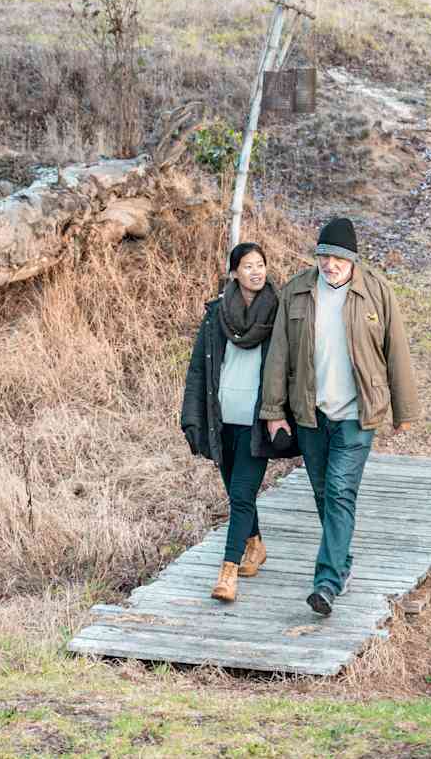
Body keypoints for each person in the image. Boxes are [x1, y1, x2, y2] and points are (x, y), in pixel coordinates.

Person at [260, 217, 421, 616]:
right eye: (323, 256)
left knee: (338, 492)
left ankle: (327, 582)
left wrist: (405, 410)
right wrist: (273, 411)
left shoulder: (376, 293)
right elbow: (279, 355)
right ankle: (342, 562)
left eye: (337, 258)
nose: (329, 264)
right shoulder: (296, 291)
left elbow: (396, 351)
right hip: (311, 414)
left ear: (353, 260)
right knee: (323, 494)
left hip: (356, 415)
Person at [180, 242, 297, 603]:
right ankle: (255, 545)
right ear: (234, 273)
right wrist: (192, 416)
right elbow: (200, 367)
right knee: (237, 494)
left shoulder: (278, 314)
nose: (256, 271)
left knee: (243, 496)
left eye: (261, 264)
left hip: (257, 422)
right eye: (248, 266)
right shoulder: (217, 314)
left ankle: (227, 574)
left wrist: (285, 415)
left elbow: (291, 370)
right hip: (222, 420)